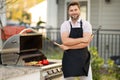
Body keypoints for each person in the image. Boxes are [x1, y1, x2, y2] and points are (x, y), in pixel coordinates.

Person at [56, 1, 93, 80]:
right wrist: (83, 39)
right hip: (69, 60)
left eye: (75, 10)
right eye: (71, 10)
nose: (74, 12)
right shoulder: (65, 25)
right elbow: (65, 41)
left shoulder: (86, 24)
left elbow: (85, 44)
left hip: (83, 60)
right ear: (68, 12)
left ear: (79, 10)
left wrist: (68, 47)